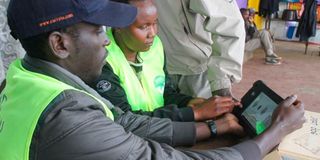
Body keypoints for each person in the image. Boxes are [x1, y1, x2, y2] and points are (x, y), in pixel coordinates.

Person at [0, 0, 306, 159]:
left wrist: (211, 125)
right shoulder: (66, 118)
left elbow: (125, 122)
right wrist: (274, 132)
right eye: (97, 31)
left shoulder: (26, 77)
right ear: (60, 44)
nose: (106, 41)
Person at [90, 0, 243, 139]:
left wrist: (188, 102)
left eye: (155, 23)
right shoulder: (101, 61)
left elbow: (165, 92)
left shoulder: (155, 47)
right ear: (119, 25)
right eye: (143, 27)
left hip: (157, 133)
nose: (152, 33)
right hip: (133, 140)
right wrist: (195, 113)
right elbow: (125, 120)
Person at [153, 0, 245, 99]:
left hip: (196, 70)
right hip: (155, 68)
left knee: (209, 111)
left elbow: (228, 23)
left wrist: (221, 82)